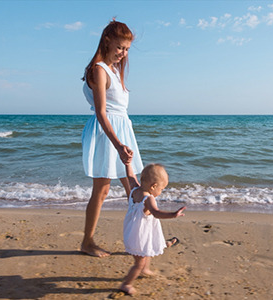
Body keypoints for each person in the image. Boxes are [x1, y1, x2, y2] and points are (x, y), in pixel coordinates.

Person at [80, 20, 144, 257]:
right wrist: (118, 145)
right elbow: (101, 113)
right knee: (102, 190)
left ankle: (142, 241)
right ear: (107, 41)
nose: (123, 53)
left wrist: (123, 141)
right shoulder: (99, 69)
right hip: (107, 133)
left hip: (122, 130)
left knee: (135, 189)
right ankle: (87, 241)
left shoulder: (115, 70)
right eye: (120, 47)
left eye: (126, 49)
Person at [120, 163, 186, 295]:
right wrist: (173, 215)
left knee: (147, 250)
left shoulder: (134, 189)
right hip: (138, 236)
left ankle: (146, 269)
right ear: (154, 186)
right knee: (139, 262)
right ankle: (126, 284)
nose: (160, 192)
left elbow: (130, 176)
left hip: (133, 230)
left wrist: (128, 163)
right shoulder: (148, 199)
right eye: (162, 189)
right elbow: (156, 213)